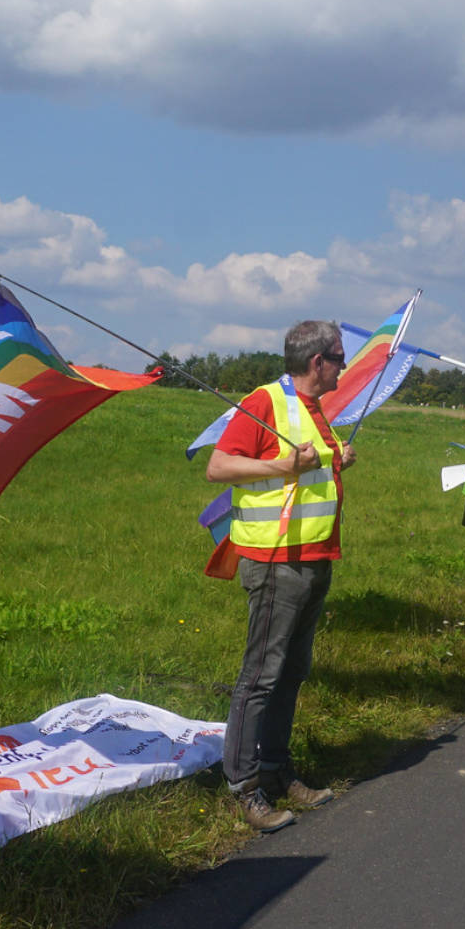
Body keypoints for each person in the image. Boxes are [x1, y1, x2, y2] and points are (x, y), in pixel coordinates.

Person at [201, 320, 357, 832]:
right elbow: (219, 467)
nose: (344, 365)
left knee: (292, 671)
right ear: (317, 362)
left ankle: (276, 769)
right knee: (261, 676)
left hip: (313, 557)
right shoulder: (266, 401)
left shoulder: (315, 409)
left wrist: (337, 460)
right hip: (274, 562)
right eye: (338, 356)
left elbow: (307, 469)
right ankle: (244, 788)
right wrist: (284, 466)